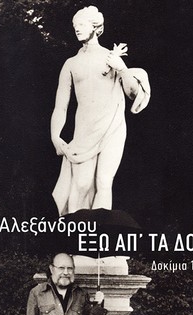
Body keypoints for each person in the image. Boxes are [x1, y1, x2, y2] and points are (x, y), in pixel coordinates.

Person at [50, 5, 150, 217]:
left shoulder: (110, 58)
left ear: (95, 26)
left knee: (104, 181)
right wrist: (55, 136)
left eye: (81, 24)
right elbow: (61, 106)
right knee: (81, 184)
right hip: (85, 130)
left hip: (112, 125)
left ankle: (99, 232)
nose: (77, 29)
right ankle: (76, 233)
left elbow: (132, 93)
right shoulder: (71, 64)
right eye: (75, 26)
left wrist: (121, 68)